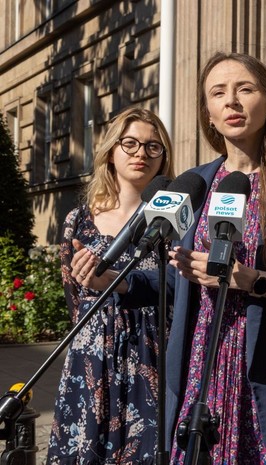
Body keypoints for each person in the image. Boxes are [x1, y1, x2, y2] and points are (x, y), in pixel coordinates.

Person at [110, 52, 266, 463]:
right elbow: (176, 280)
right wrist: (120, 280)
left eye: (244, 89)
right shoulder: (194, 183)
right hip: (204, 368)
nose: (231, 101)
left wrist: (253, 281)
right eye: (218, 93)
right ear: (209, 114)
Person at [47, 107, 175, 463]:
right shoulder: (78, 220)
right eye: (130, 143)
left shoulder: (174, 220)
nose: (140, 153)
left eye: (153, 146)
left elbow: (179, 289)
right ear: (111, 151)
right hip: (92, 358)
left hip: (152, 353)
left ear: (163, 156)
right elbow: (74, 299)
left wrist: (118, 283)